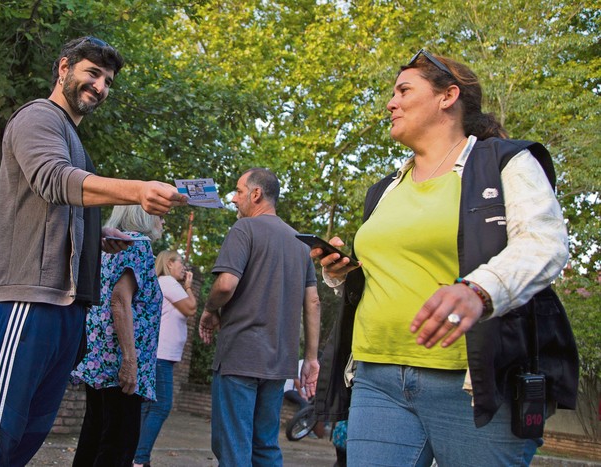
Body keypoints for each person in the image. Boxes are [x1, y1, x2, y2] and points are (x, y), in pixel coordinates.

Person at [313, 49, 578, 466]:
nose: (391, 103)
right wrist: (343, 272)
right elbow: (391, 273)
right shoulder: (384, 190)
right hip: (375, 379)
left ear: (447, 97)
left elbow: (544, 244)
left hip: (471, 385)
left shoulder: (505, 162)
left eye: (404, 90)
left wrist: (479, 290)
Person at [0, 36, 187, 466]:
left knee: (30, 430)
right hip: (31, 297)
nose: (100, 86)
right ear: (64, 68)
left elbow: (58, 208)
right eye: (92, 73)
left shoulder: (75, 141)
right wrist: (137, 190)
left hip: (70, 307)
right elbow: (53, 180)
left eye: (107, 81)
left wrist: (98, 238)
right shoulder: (38, 117)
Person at [198, 168, 322, 467]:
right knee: (265, 445)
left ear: (256, 194)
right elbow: (314, 301)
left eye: (239, 191)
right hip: (279, 362)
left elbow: (226, 284)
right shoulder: (300, 242)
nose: (234, 198)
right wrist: (312, 358)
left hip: (241, 355)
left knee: (233, 447)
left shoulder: (244, 230)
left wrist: (210, 310)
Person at [70, 206, 163, 466]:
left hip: (98, 359)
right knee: (118, 444)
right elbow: (120, 301)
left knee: (94, 434)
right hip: (119, 363)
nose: (163, 220)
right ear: (144, 215)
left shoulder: (112, 246)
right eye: (159, 214)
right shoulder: (137, 245)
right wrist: (130, 361)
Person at [133, 250, 197, 467]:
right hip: (160, 355)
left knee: (147, 407)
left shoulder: (163, 282)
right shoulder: (168, 282)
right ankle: (140, 459)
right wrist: (188, 286)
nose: (184, 268)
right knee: (161, 407)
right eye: (182, 263)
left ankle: (133, 456)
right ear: (170, 263)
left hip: (159, 354)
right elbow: (191, 308)